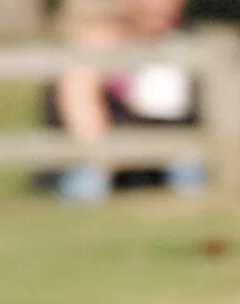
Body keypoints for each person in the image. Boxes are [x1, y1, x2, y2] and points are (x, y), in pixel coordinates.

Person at [41, 0, 201, 202]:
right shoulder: (93, 48)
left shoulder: (177, 44)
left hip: (153, 165)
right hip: (94, 167)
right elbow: (85, 118)